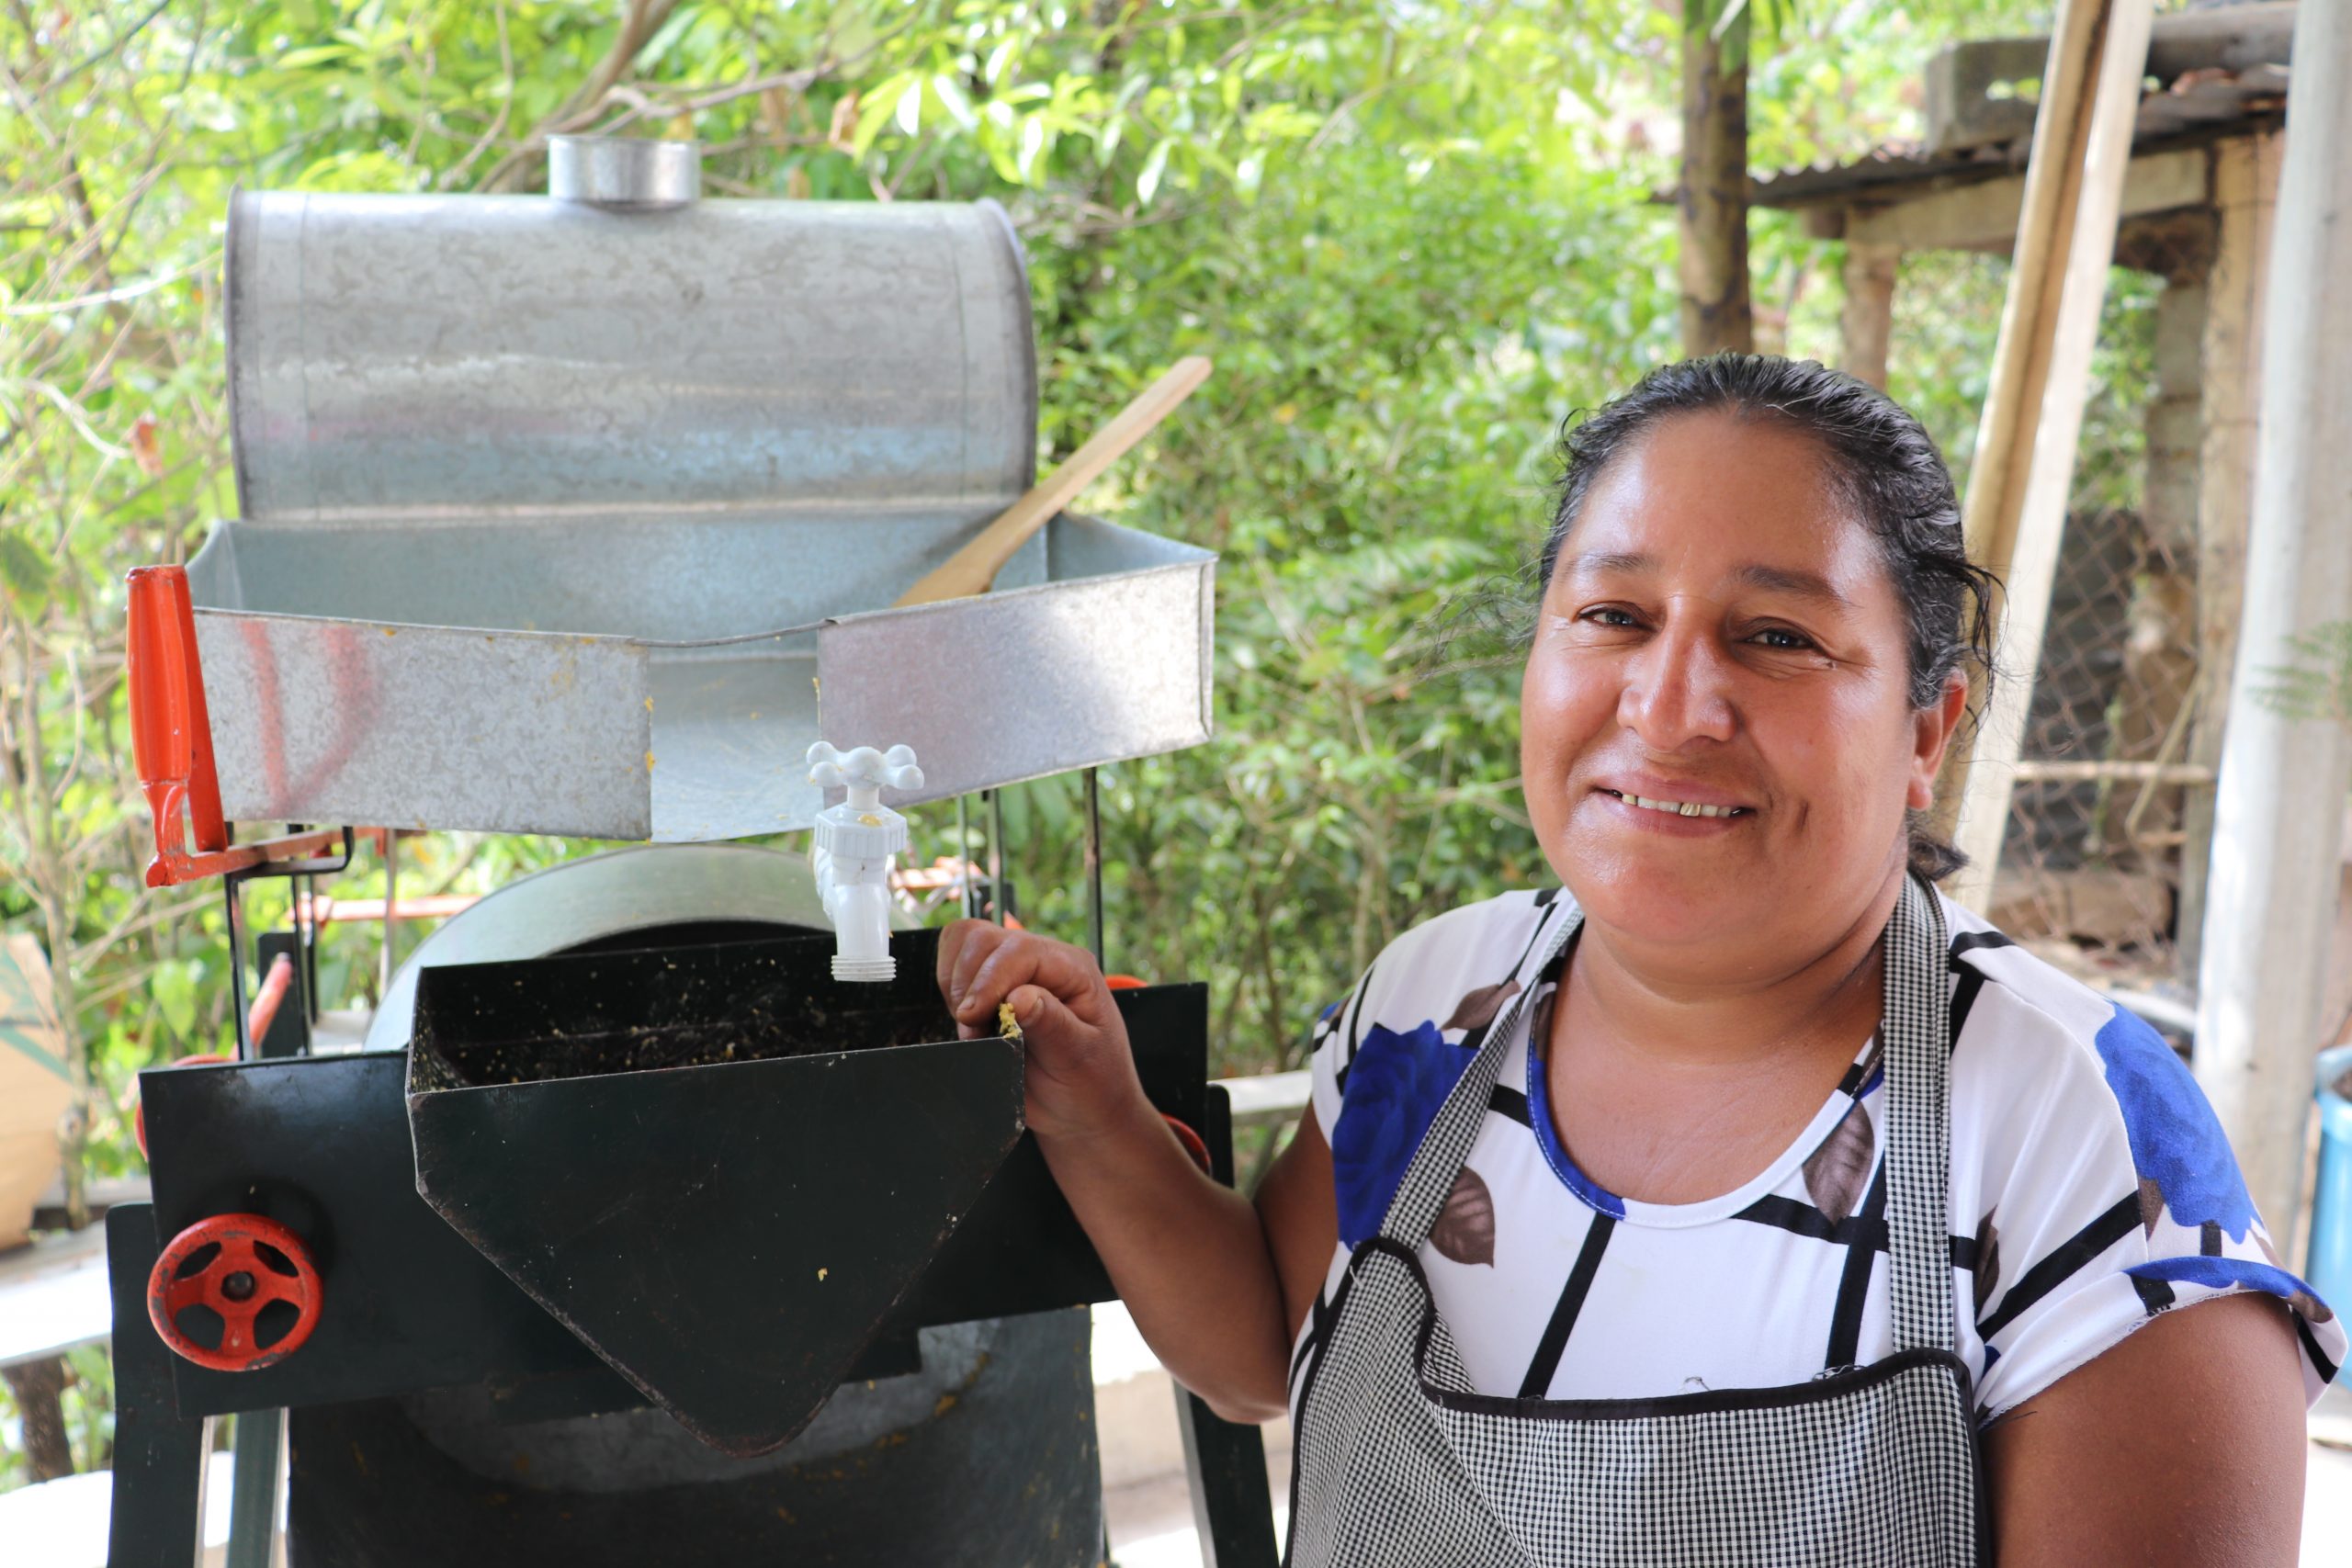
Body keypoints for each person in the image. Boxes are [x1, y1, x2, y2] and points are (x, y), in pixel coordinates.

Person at [935, 355, 2345, 1565]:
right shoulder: (1435, 1009)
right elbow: (1256, 1347)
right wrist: (1103, 1118)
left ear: (1929, 731)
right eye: (1613, 617)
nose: (1669, 708)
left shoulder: (2077, 1134)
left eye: (1778, 636)